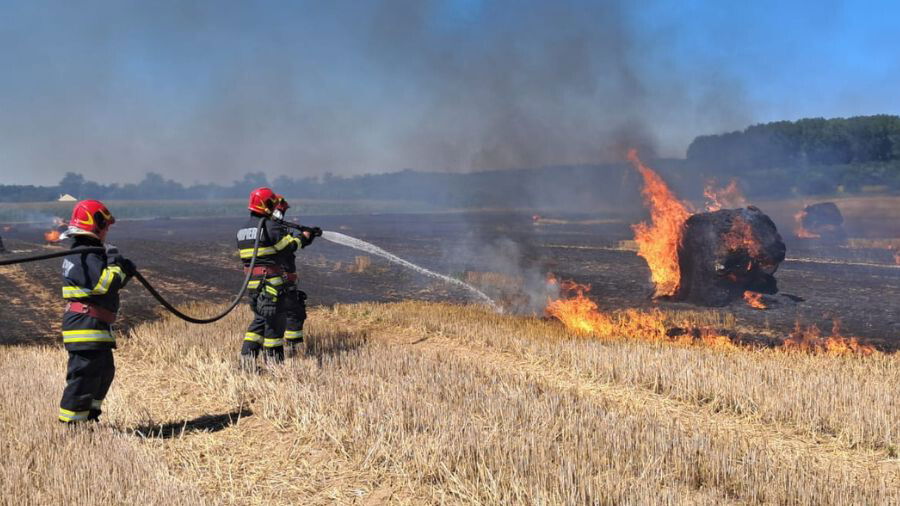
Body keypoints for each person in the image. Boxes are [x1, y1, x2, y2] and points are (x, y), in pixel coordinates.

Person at [58, 200, 136, 424]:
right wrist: (116, 264)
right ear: (96, 224)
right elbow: (104, 285)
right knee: (83, 377)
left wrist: (123, 269)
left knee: (102, 374)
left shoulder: (87, 254)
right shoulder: (85, 255)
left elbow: (109, 284)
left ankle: (89, 417)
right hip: (85, 325)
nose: (107, 231)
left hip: (94, 324)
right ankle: (71, 426)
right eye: (106, 225)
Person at [237, 188, 310, 365]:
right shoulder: (270, 227)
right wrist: (305, 237)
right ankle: (275, 365)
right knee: (275, 326)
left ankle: (247, 361)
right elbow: (288, 247)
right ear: (265, 204)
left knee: (260, 322)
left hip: (253, 286)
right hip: (271, 286)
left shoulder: (243, 230)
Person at [273, 195, 320, 356]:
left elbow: (293, 243)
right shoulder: (274, 229)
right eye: (282, 210)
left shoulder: (271, 228)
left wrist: (309, 235)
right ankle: (291, 350)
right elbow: (289, 246)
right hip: (281, 279)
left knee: (283, 313)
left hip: (277, 278)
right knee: (293, 312)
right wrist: (304, 236)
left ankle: (287, 349)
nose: (283, 214)